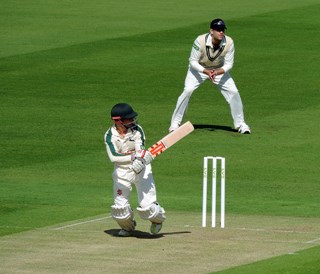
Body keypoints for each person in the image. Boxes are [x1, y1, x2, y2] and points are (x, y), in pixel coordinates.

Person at [169, 18, 251, 134]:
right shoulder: (200, 40)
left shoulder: (229, 42)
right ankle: (175, 123)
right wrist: (206, 71)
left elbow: (229, 64)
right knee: (188, 90)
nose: (221, 32)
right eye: (218, 30)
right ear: (211, 31)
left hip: (218, 70)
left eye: (222, 30)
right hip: (198, 69)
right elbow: (193, 61)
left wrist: (216, 72)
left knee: (233, 92)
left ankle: (241, 124)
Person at [104, 103, 166, 237]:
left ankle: (157, 221)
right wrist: (133, 156)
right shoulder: (109, 135)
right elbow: (114, 157)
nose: (132, 121)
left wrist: (141, 160)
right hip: (122, 171)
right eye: (129, 119)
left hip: (141, 168)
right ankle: (128, 228)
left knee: (147, 208)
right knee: (120, 211)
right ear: (118, 121)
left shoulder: (137, 130)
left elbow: (140, 151)